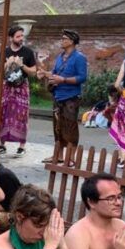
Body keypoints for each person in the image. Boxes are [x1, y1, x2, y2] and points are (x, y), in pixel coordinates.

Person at [40, 29, 87, 167]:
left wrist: (64, 80)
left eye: (64, 38)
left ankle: (71, 157)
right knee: (57, 127)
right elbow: (55, 73)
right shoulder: (60, 57)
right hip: (58, 96)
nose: (62, 40)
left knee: (70, 127)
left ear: (72, 41)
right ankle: (58, 155)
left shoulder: (79, 57)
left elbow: (82, 77)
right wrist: (45, 74)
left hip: (71, 97)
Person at [0, 25, 38, 157]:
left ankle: (22, 145)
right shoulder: (5, 52)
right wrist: (7, 64)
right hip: (7, 87)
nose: (21, 38)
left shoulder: (27, 52)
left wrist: (22, 65)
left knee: (21, 115)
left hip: (21, 87)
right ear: (11, 38)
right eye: (18, 36)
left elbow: (33, 72)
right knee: (4, 113)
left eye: (22, 36)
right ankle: (2, 144)